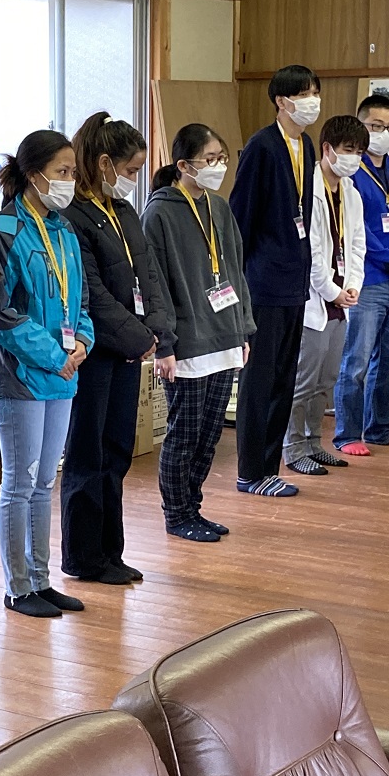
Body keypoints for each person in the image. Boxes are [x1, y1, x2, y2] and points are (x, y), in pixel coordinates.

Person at [0, 130, 95, 618]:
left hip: (63, 375)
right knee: (19, 483)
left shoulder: (66, 231)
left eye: (73, 173)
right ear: (34, 175)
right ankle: (17, 586)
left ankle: (42, 580)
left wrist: (83, 340)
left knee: (46, 481)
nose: (69, 182)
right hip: (22, 379)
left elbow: (80, 301)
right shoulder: (2, 231)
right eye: (62, 173)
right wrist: (54, 354)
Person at [59, 112, 173, 585]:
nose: (133, 180)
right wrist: (136, 336)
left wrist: (158, 333)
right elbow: (91, 294)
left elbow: (150, 277)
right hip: (96, 352)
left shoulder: (123, 211)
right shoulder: (74, 216)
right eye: (129, 170)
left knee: (118, 450)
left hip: (130, 350)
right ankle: (83, 557)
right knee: (88, 455)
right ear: (104, 163)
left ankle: (111, 551)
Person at [142, 125, 253, 542]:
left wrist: (244, 328)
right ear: (184, 165)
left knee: (209, 436)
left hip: (224, 337)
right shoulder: (160, 212)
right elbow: (154, 286)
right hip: (187, 343)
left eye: (222, 158)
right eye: (209, 159)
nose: (218, 166)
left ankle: (194, 507)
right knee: (183, 434)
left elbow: (236, 272)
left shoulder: (219, 207)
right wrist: (164, 344)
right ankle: (176, 513)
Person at [229, 64, 319, 498]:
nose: (312, 101)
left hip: (294, 280)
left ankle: (269, 466)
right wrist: (240, 283)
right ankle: (250, 470)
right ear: (282, 101)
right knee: (259, 379)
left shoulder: (306, 145)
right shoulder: (261, 146)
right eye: (304, 94)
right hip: (263, 281)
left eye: (315, 92)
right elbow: (241, 218)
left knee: (284, 377)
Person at [334, 94, 389, 455]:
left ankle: (381, 428)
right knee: (356, 360)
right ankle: (347, 434)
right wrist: (388, 260)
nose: (384, 134)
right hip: (369, 278)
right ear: (361, 126)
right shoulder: (351, 172)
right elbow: (355, 226)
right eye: (376, 127)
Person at [282, 115, 368, 476]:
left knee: (327, 380)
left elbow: (358, 246)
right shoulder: (309, 189)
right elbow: (313, 253)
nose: (354, 158)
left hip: (340, 302)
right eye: (348, 150)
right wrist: (332, 291)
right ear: (328, 149)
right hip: (316, 300)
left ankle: (315, 442)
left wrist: (352, 288)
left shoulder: (350, 192)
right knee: (303, 379)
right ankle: (292, 447)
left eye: (359, 152)